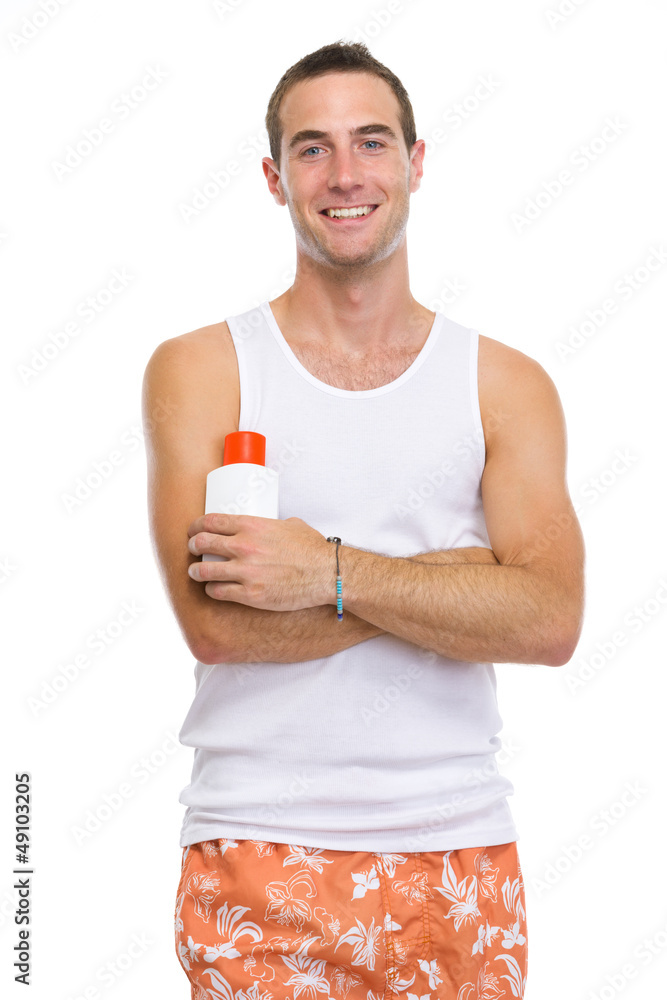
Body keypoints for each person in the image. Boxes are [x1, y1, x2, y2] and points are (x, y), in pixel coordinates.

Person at [142, 39, 585, 1000]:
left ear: (416, 162)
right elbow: (217, 627)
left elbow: (548, 622)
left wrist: (326, 569)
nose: (345, 175)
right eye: (312, 148)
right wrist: (461, 583)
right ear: (273, 177)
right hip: (255, 851)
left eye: (371, 142)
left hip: (458, 853)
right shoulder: (203, 369)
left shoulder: (505, 385)